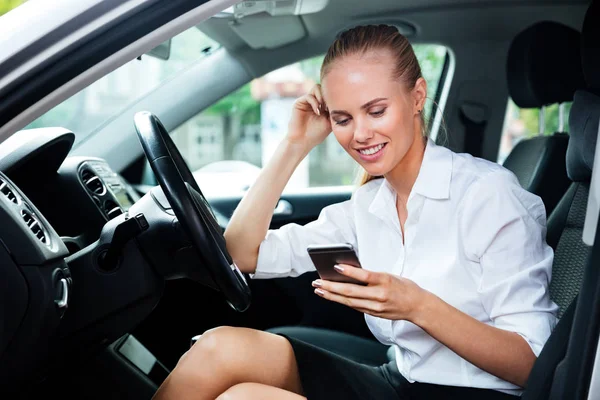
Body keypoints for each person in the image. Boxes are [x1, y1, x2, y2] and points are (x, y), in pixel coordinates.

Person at [152, 24, 558, 400]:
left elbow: (533, 366)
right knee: (219, 346)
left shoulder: (487, 195)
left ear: (417, 97)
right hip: (399, 383)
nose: (360, 134)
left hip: (476, 396)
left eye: (376, 111)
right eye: (342, 118)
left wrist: (417, 305)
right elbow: (242, 254)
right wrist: (294, 146)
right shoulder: (368, 204)